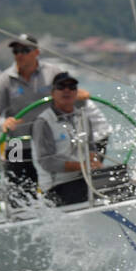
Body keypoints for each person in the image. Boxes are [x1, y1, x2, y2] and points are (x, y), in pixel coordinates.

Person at [0, 33, 87, 204]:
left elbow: (69, 92)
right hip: (17, 139)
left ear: (36, 52)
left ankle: (66, 198)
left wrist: (79, 96)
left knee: (63, 163)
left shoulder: (53, 72)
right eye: (16, 51)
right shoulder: (5, 79)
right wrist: (3, 123)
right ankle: (19, 208)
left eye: (25, 50)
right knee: (16, 172)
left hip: (50, 136)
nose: (20, 55)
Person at [31, 71, 112, 206]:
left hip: (82, 179)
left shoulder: (83, 117)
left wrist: (94, 163)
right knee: (98, 191)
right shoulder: (43, 122)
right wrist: (82, 166)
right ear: (52, 93)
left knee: (118, 181)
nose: (67, 90)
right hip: (56, 187)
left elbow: (91, 148)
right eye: (61, 87)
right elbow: (47, 161)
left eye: (72, 87)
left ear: (76, 92)